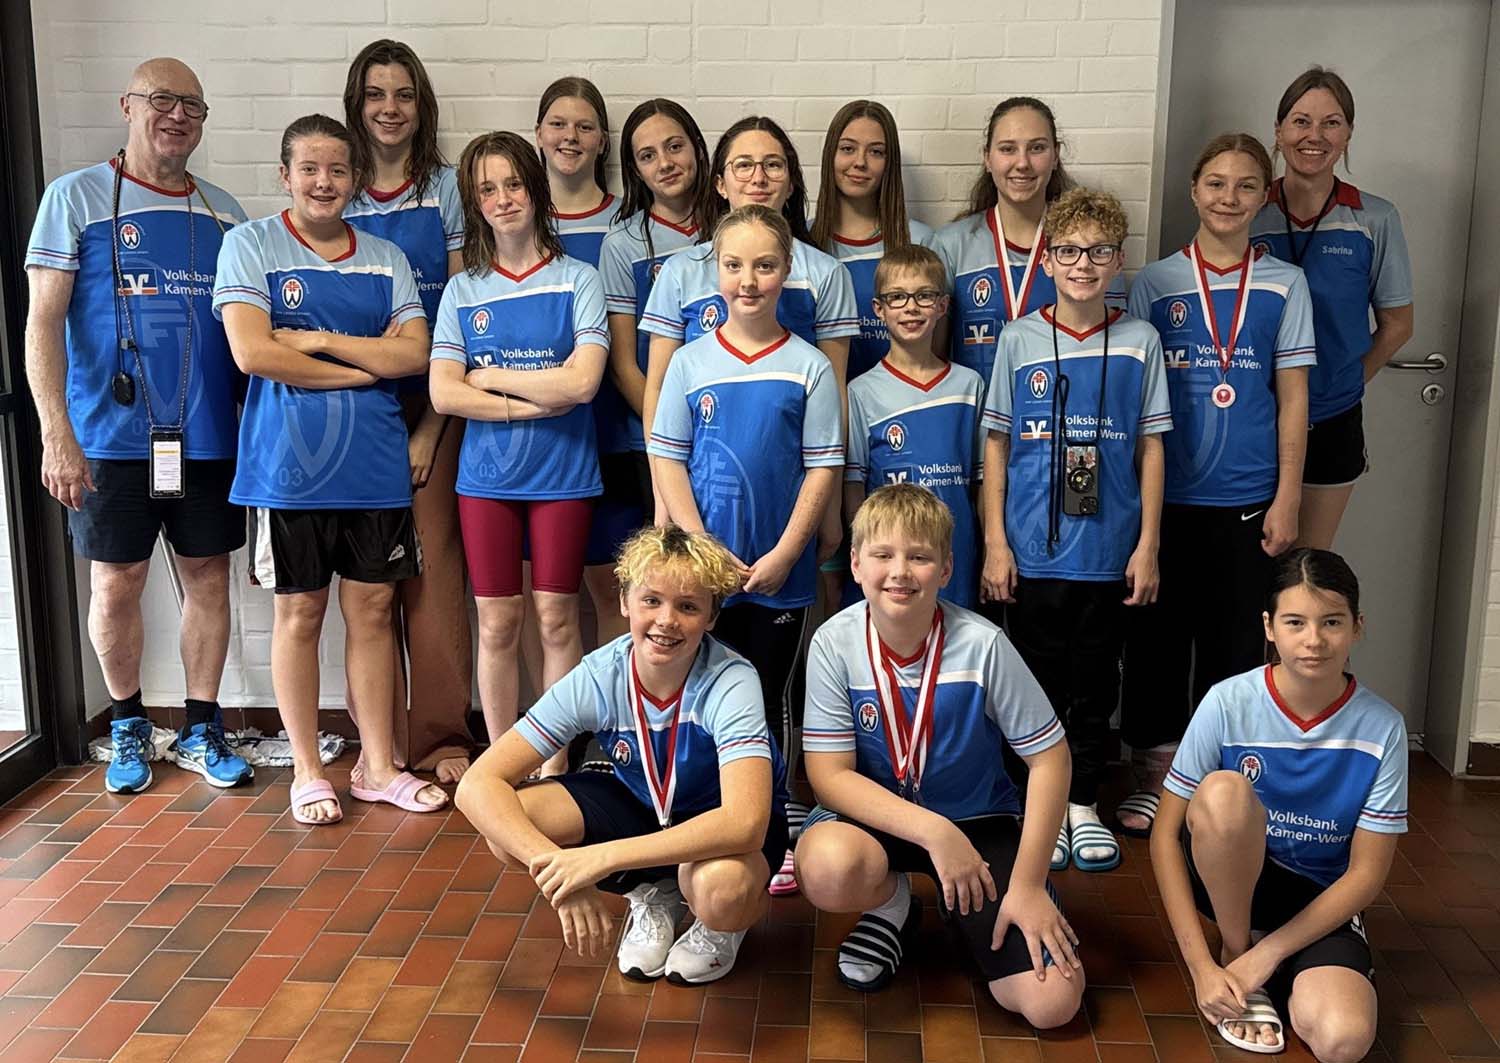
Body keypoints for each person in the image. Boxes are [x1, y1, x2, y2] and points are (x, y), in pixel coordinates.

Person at [25, 57, 252, 794]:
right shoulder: (76, 199)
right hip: (108, 440)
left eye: (191, 103)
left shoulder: (225, 213)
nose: (176, 115)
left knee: (207, 579)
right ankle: (126, 722)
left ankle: (201, 724)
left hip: (210, 436)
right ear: (128, 104)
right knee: (116, 582)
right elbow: (42, 322)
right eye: (161, 99)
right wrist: (55, 431)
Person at [213, 114, 448, 824]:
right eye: (309, 169)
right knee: (299, 611)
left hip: (375, 467)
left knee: (374, 611)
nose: (324, 183)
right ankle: (310, 769)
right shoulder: (249, 245)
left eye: (337, 171)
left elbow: (414, 356)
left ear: (356, 180)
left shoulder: (384, 258)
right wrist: (358, 369)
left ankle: (378, 765)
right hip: (289, 472)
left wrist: (317, 342)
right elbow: (254, 353)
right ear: (285, 175)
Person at [794, 484, 1083, 1028]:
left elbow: (1052, 759)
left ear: (946, 568)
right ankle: (891, 903)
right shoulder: (834, 643)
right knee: (828, 867)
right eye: (882, 555)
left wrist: (1025, 886)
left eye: (919, 556)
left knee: (1053, 1005)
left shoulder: (984, 645)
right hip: (875, 821)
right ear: (855, 564)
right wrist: (934, 832)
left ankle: (971, 905)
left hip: (978, 821)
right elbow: (828, 776)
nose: (899, 571)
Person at [454, 524, 789, 985]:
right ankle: (654, 890)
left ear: (711, 617)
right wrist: (562, 878)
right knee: (508, 829)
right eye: (651, 600)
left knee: (719, 891)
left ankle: (717, 927)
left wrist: (603, 859)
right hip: (644, 804)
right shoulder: (599, 674)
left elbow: (745, 821)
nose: (666, 620)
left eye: (688, 606)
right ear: (625, 602)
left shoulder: (731, 680)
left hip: (721, 828)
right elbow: (476, 785)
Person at [1117, 133, 1316, 838]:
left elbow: (1293, 396)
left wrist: (1289, 493)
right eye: (1215, 184)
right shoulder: (1157, 282)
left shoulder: (1285, 284)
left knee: (1236, 642)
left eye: (1244, 186)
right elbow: (1135, 393)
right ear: (1193, 192)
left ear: (1264, 197)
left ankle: (1217, 775)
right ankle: (1154, 771)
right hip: (1166, 495)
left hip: (1249, 495)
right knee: (1158, 638)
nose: (1228, 198)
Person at [648, 204, 844, 893]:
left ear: (786, 271)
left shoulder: (810, 365)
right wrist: (702, 549)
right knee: (695, 695)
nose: (749, 280)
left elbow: (822, 465)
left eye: (764, 265)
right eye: (734, 265)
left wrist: (789, 553)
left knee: (765, 701)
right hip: (705, 577)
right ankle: (696, 817)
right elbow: (667, 455)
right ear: (716, 272)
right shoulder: (691, 362)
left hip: (774, 577)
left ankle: (769, 830)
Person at [980, 188, 1171, 873]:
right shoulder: (1019, 337)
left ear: (1118, 261)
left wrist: (1147, 544)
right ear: (1048, 260)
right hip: (1033, 551)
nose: (1083, 264)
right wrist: (998, 542)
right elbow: (996, 444)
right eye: (1068, 251)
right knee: (1033, 679)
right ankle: (1040, 798)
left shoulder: (1140, 341)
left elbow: (1152, 447)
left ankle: (1083, 800)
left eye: (1097, 252)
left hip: (1109, 551)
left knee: (1096, 681)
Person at [1151, 548, 1406, 1061]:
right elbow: (1163, 837)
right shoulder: (1227, 702)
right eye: (1295, 622)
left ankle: (1273, 961)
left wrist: (1270, 956)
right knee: (1224, 793)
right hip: (1228, 886)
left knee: (1343, 1042)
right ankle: (1235, 946)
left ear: (1357, 627)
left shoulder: (1384, 728)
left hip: (1317, 899)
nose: (1313, 640)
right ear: (1270, 627)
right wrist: (1204, 966)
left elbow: (1366, 875)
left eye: (1331, 621)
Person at [428, 131, 609, 772]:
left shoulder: (578, 279)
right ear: (473, 203)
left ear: (535, 189)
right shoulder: (463, 291)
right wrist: (533, 399)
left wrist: (493, 378)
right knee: (498, 624)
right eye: (487, 189)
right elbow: (445, 394)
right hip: (485, 482)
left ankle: (555, 766)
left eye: (513, 184)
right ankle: (502, 765)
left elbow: (583, 382)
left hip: (563, 476)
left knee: (558, 619)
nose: (502, 199)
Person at [341, 38, 473, 785]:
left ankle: (440, 734)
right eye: (375, 95)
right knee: (365, 581)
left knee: (433, 571)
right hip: (352, 410)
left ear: (421, 106)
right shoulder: (337, 186)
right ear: (356, 105)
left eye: (403, 95)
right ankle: (376, 742)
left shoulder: (448, 190)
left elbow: (458, 310)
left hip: (433, 404)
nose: (389, 109)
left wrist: (431, 425)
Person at [1250, 67, 1414, 549]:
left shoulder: (1374, 218)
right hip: (1253, 415)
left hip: (1332, 419)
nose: (1314, 136)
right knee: (1251, 568)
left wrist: (1344, 381)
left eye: (1331, 123)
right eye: (1301, 122)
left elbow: (1398, 324)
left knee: (1306, 565)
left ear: (1348, 134)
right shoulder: (1249, 210)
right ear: (1278, 131)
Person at [639, 115, 859, 465]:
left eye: (772, 165)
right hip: (700, 470)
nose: (758, 177)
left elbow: (834, 395)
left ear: (790, 184)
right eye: (743, 165)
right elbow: (658, 387)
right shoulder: (680, 272)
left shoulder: (826, 273)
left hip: (793, 471)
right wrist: (663, 486)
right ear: (720, 184)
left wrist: (830, 498)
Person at [596, 99, 717, 642]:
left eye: (674, 146)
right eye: (647, 155)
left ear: (697, 148)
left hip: (726, 438)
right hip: (649, 439)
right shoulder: (623, 244)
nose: (665, 162)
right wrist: (668, 437)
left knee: (718, 576)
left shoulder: (736, 227)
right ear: (634, 169)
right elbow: (624, 361)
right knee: (666, 584)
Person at [929, 97, 1124, 389]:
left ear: (1056, 155)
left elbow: (1111, 350)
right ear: (987, 157)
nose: (1022, 163)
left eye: (1037, 148)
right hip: (976, 426)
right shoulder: (950, 245)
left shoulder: (1092, 250)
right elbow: (933, 360)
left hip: (1061, 425)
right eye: (1008, 149)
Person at [845, 245, 983, 609]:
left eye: (924, 296)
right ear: (879, 309)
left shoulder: (969, 386)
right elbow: (853, 487)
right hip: (890, 564)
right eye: (897, 297)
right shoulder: (860, 392)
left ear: (942, 305)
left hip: (956, 556)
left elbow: (982, 480)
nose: (911, 307)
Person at [809, 99, 934, 382]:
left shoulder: (921, 241)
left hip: (901, 410)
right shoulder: (805, 244)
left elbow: (937, 350)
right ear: (831, 155)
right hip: (826, 408)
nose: (860, 162)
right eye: (848, 149)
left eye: (876, 152)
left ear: (890, 163)